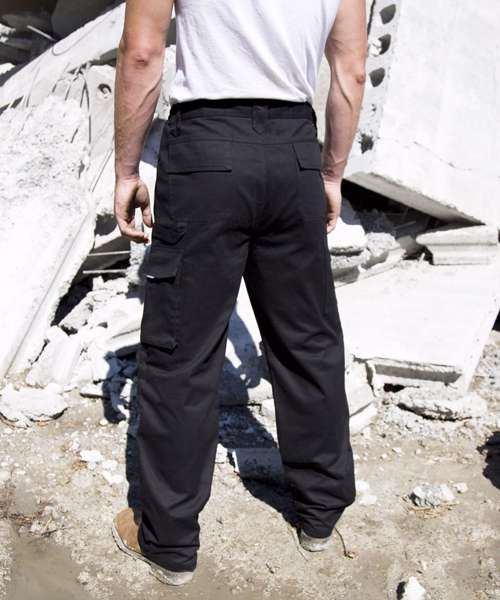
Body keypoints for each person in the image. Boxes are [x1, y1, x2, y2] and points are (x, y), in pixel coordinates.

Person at [111, 0, 367, 587]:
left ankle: (169, 543)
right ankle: (320, 515)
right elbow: (351, 70)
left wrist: (126, 172)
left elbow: (143, 52)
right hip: (294, 152)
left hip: (206, 150)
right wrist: (330, 174)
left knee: (182, 352)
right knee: (307, 340)